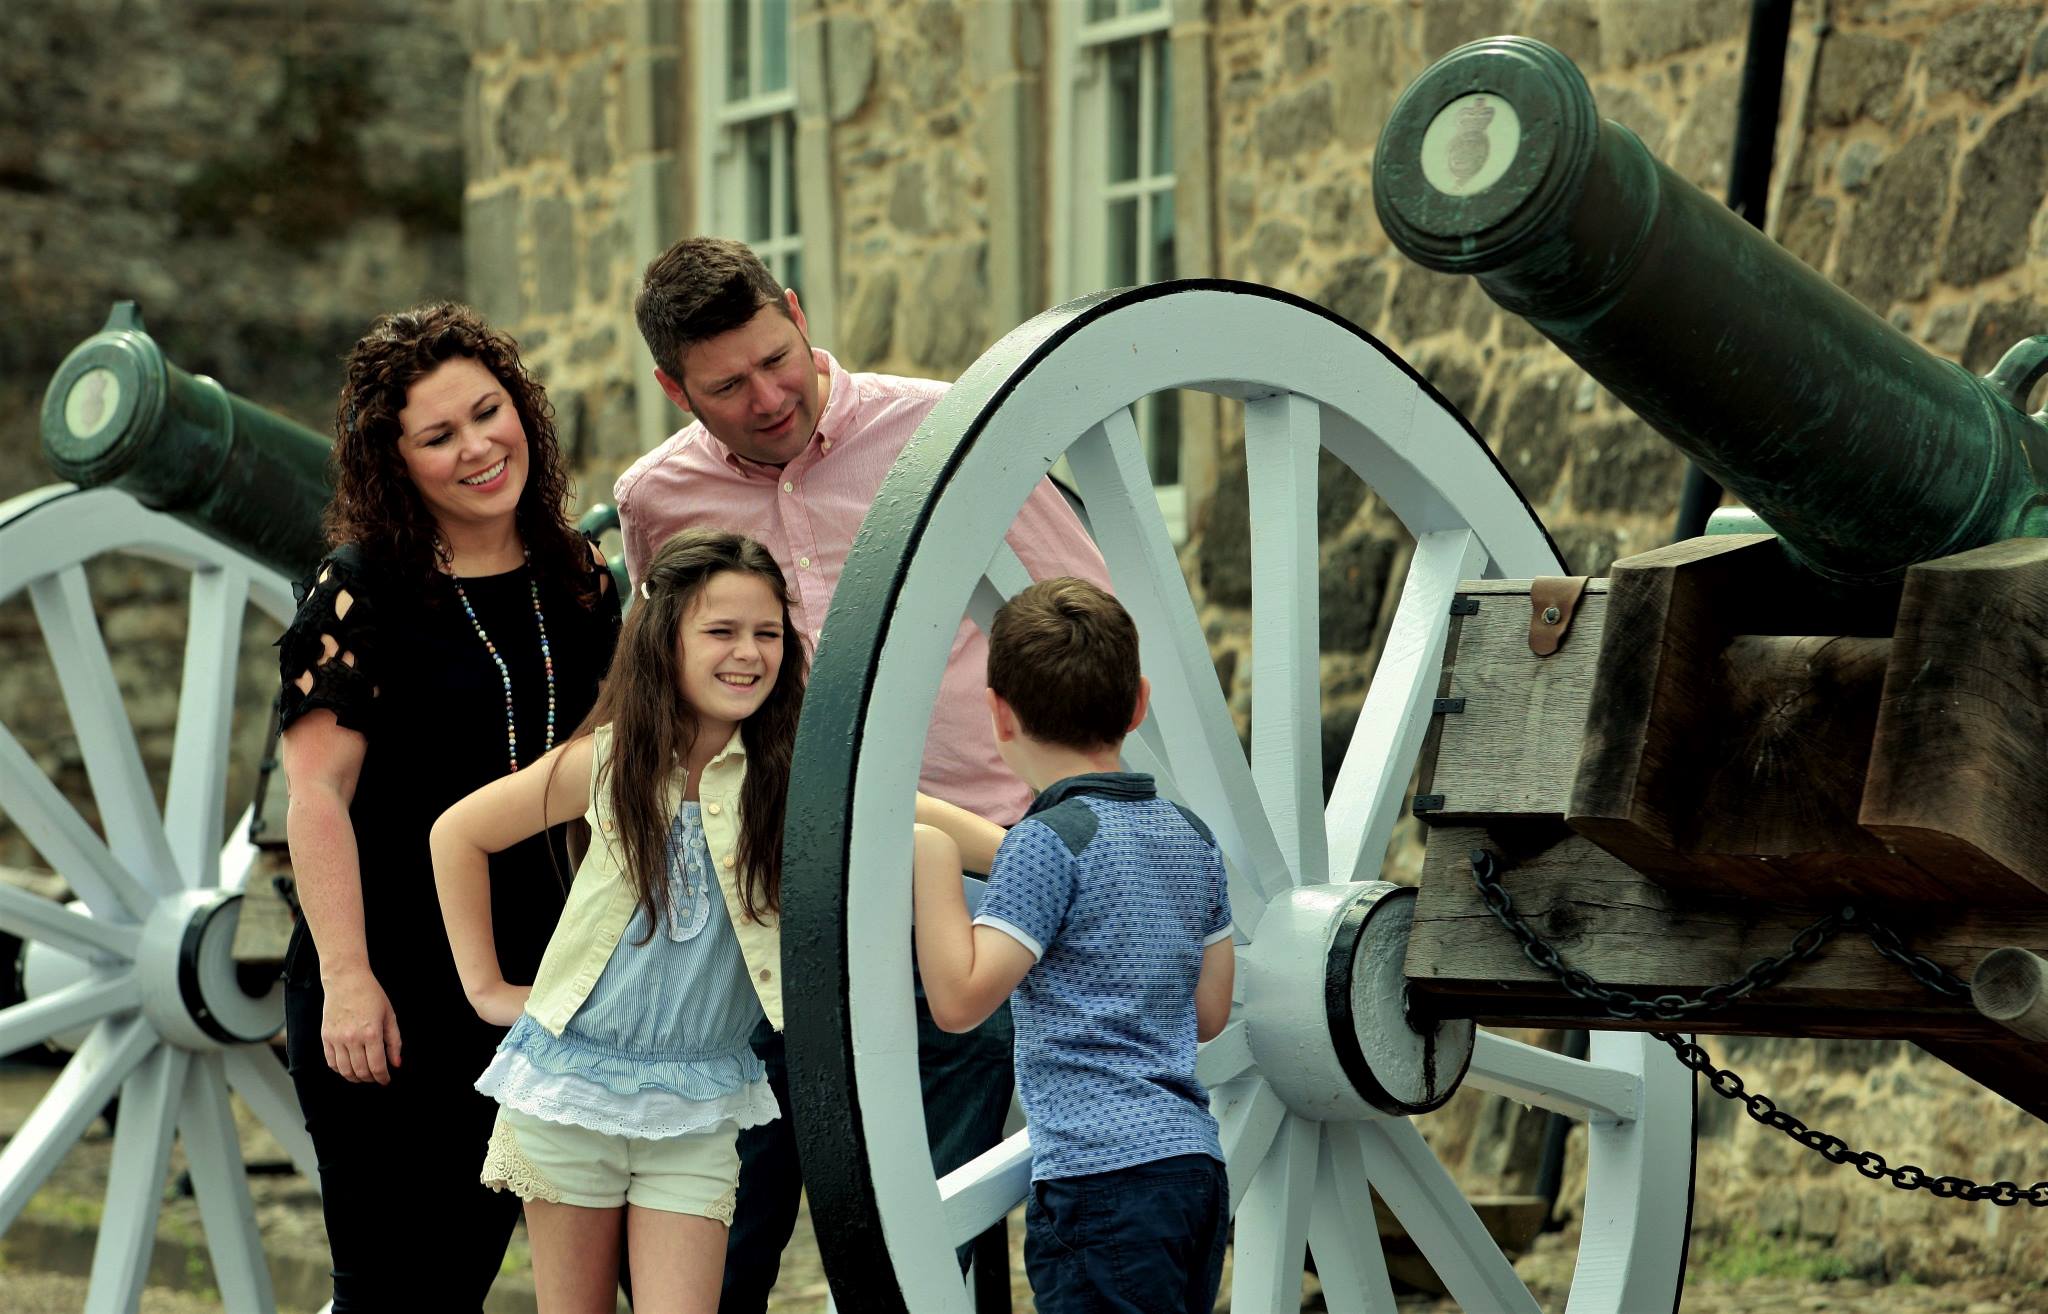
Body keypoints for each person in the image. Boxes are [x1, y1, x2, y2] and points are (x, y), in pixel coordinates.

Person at [614, 235, 1113, 1306]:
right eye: (725, 386)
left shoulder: (949, 432)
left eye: (776, 358)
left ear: (796, 312)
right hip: (769, 892)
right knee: (727, 1199)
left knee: (941, 1211)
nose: (766, 397)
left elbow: (1085, 627)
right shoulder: (655, 500)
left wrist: (1061, 838)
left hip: (962, 883)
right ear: (671, 387)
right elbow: (670, 694)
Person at [277, 302, 621, 1310]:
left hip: (534, 987)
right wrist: (345, 978)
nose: (478, 447)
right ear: (397, 462)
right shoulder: (361, 589)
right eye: (439, 435)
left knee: (480, 1276)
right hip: (387, 995)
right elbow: (316, 794)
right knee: (399, 1292)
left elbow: (611, 763)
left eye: (488, 412)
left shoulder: (579, 576)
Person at [430, 529, 800, 1314]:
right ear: (666, 640)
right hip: (570, 1090)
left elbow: (905, 817)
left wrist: (1021, 844)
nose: (748, 653)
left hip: (697, 1100)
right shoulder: (609, 760)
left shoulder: (787, 776)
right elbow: (457, 834)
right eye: (722, 631)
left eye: (767, 633)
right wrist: (488, 989)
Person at [912, 577, 1236, 1314]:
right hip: (1193, 1169)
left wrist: (931, 856)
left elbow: (961, 1002)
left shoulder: (1044, 845)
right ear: (1138, 704)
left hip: (1099, 1180)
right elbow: (1208, 1012)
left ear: (998, 714)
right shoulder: (1192, 838)